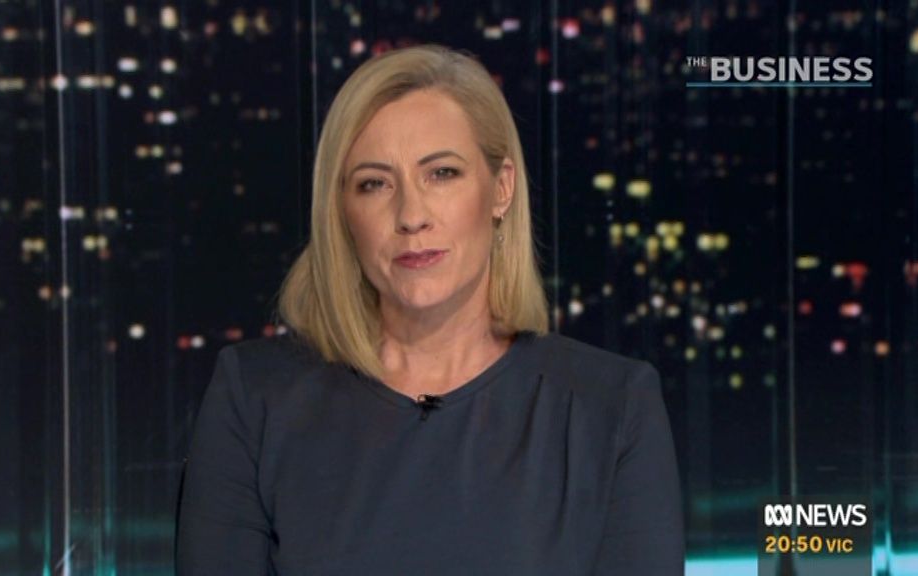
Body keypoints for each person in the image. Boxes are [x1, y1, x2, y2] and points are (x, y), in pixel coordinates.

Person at [175, 44, 683, 575]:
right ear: (342, 211)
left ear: (501, 189)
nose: (411, 215)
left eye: (442, 173)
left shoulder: (611, 406)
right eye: (374, 184)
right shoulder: (253, 397)